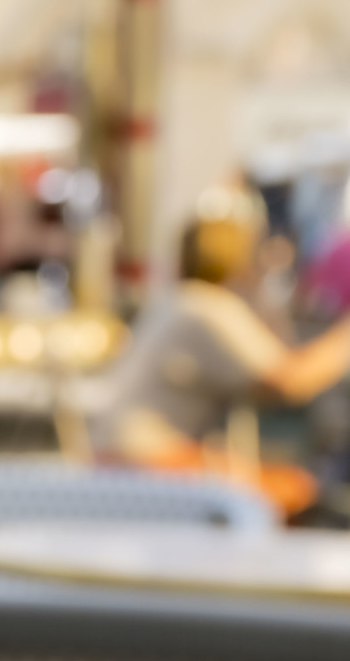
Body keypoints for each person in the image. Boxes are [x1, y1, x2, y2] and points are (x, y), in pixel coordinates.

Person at [82, 203, 350, 479]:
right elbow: (291, 380)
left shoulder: (181, 300)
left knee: (261, 475)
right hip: (141, 460)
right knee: (294, 485)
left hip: (113, 454)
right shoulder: (209, 307)